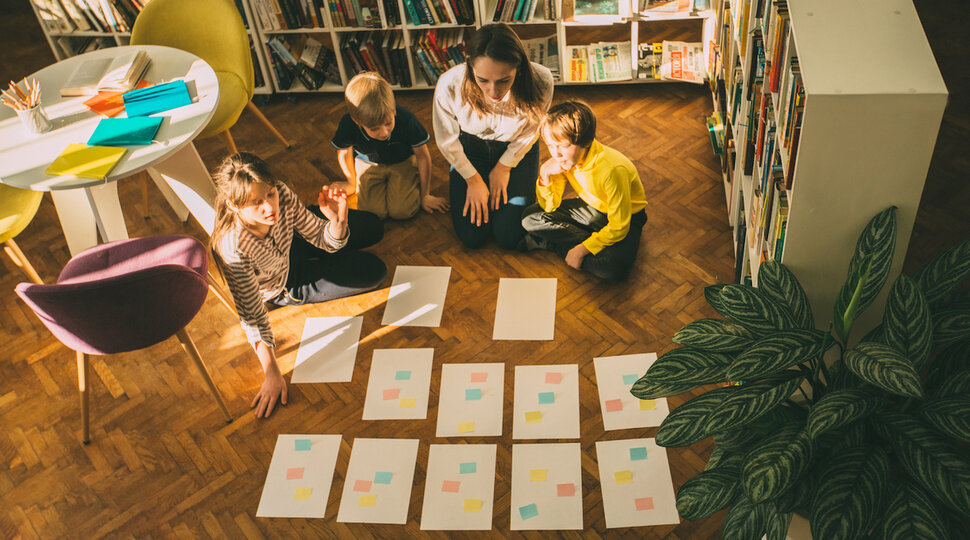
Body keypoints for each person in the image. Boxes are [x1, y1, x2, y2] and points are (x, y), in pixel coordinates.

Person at [210, 153, 386, 418]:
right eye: (257, 203)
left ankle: (336, 242)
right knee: (374, 271)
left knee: (374, 227)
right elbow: (252, 316)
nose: (270, 207)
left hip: (293, 240)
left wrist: (337, 222)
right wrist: (271, 372)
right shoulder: (234, 248)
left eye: (269, 194)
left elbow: (319, 235)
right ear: (235, 206)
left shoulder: (280, 193)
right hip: (284, 282)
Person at [433, 23, 554, 250]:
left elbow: (530, 131)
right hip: (470, 150)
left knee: (508, 236)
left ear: (518, 68)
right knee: (472, 236)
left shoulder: (542, 81)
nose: (493, 92)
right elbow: (446, 140)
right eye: (483, 80)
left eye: (503, 80)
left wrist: (504, 167)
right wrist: (473, 179)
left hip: (518, 149)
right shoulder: (449, 85)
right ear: (470, 67)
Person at [520, 101, 648, 281]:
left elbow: (619, 226)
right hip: (593, 208)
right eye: (550, 145)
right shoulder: (565, 160)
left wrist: (582, 249)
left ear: (586, 142)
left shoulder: (613, 169)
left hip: (627, 218)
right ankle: (595, 244)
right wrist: (545, 174)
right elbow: (550, 207)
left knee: (612, 270)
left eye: (563, 146)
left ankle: (558, 246)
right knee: (530, 217)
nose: (556, 154)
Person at [331, 72, 448, 219]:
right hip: (368, 163)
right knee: (372, 215)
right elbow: (343, 152)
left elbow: (423, 155)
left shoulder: (407, 119)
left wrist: (426, 195)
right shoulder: (348, 123)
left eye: (388, 123)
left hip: (402, 162)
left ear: (393, 111)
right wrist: (351, 183)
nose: (384, 133)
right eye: (374, 129)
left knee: (402, 211)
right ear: (356, 121)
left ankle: (412, 182)